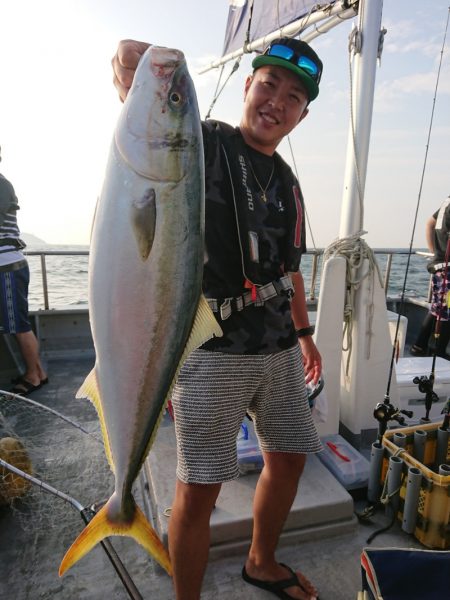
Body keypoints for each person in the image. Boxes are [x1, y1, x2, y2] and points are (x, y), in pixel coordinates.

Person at [112, 37, 323, 600]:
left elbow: (293, 271)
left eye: (294, 96)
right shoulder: (202, 144)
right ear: (248, 85)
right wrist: (134, 71)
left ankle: (262, 561)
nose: (277, 100)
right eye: (269, 84)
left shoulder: (290, 186)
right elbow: (151, 113)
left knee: (290, 456)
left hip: (278, 346)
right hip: (210, 351)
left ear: (302, 116)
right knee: (200, 487)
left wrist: (306, 337)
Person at [0, 147, 48, 395]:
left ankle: (33, 375)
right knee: (17, 322)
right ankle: (38, 371)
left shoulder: (1, 184)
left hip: (6, 266)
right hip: (7, 266)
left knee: (18, 324)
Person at [411, 196, 450, 359]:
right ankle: (439, 354)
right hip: (448, 269)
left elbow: (429, 223)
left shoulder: (446, 202)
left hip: (439, 265)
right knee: (447, 311)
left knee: (437, 309)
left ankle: (418, 346)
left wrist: (435, 253)